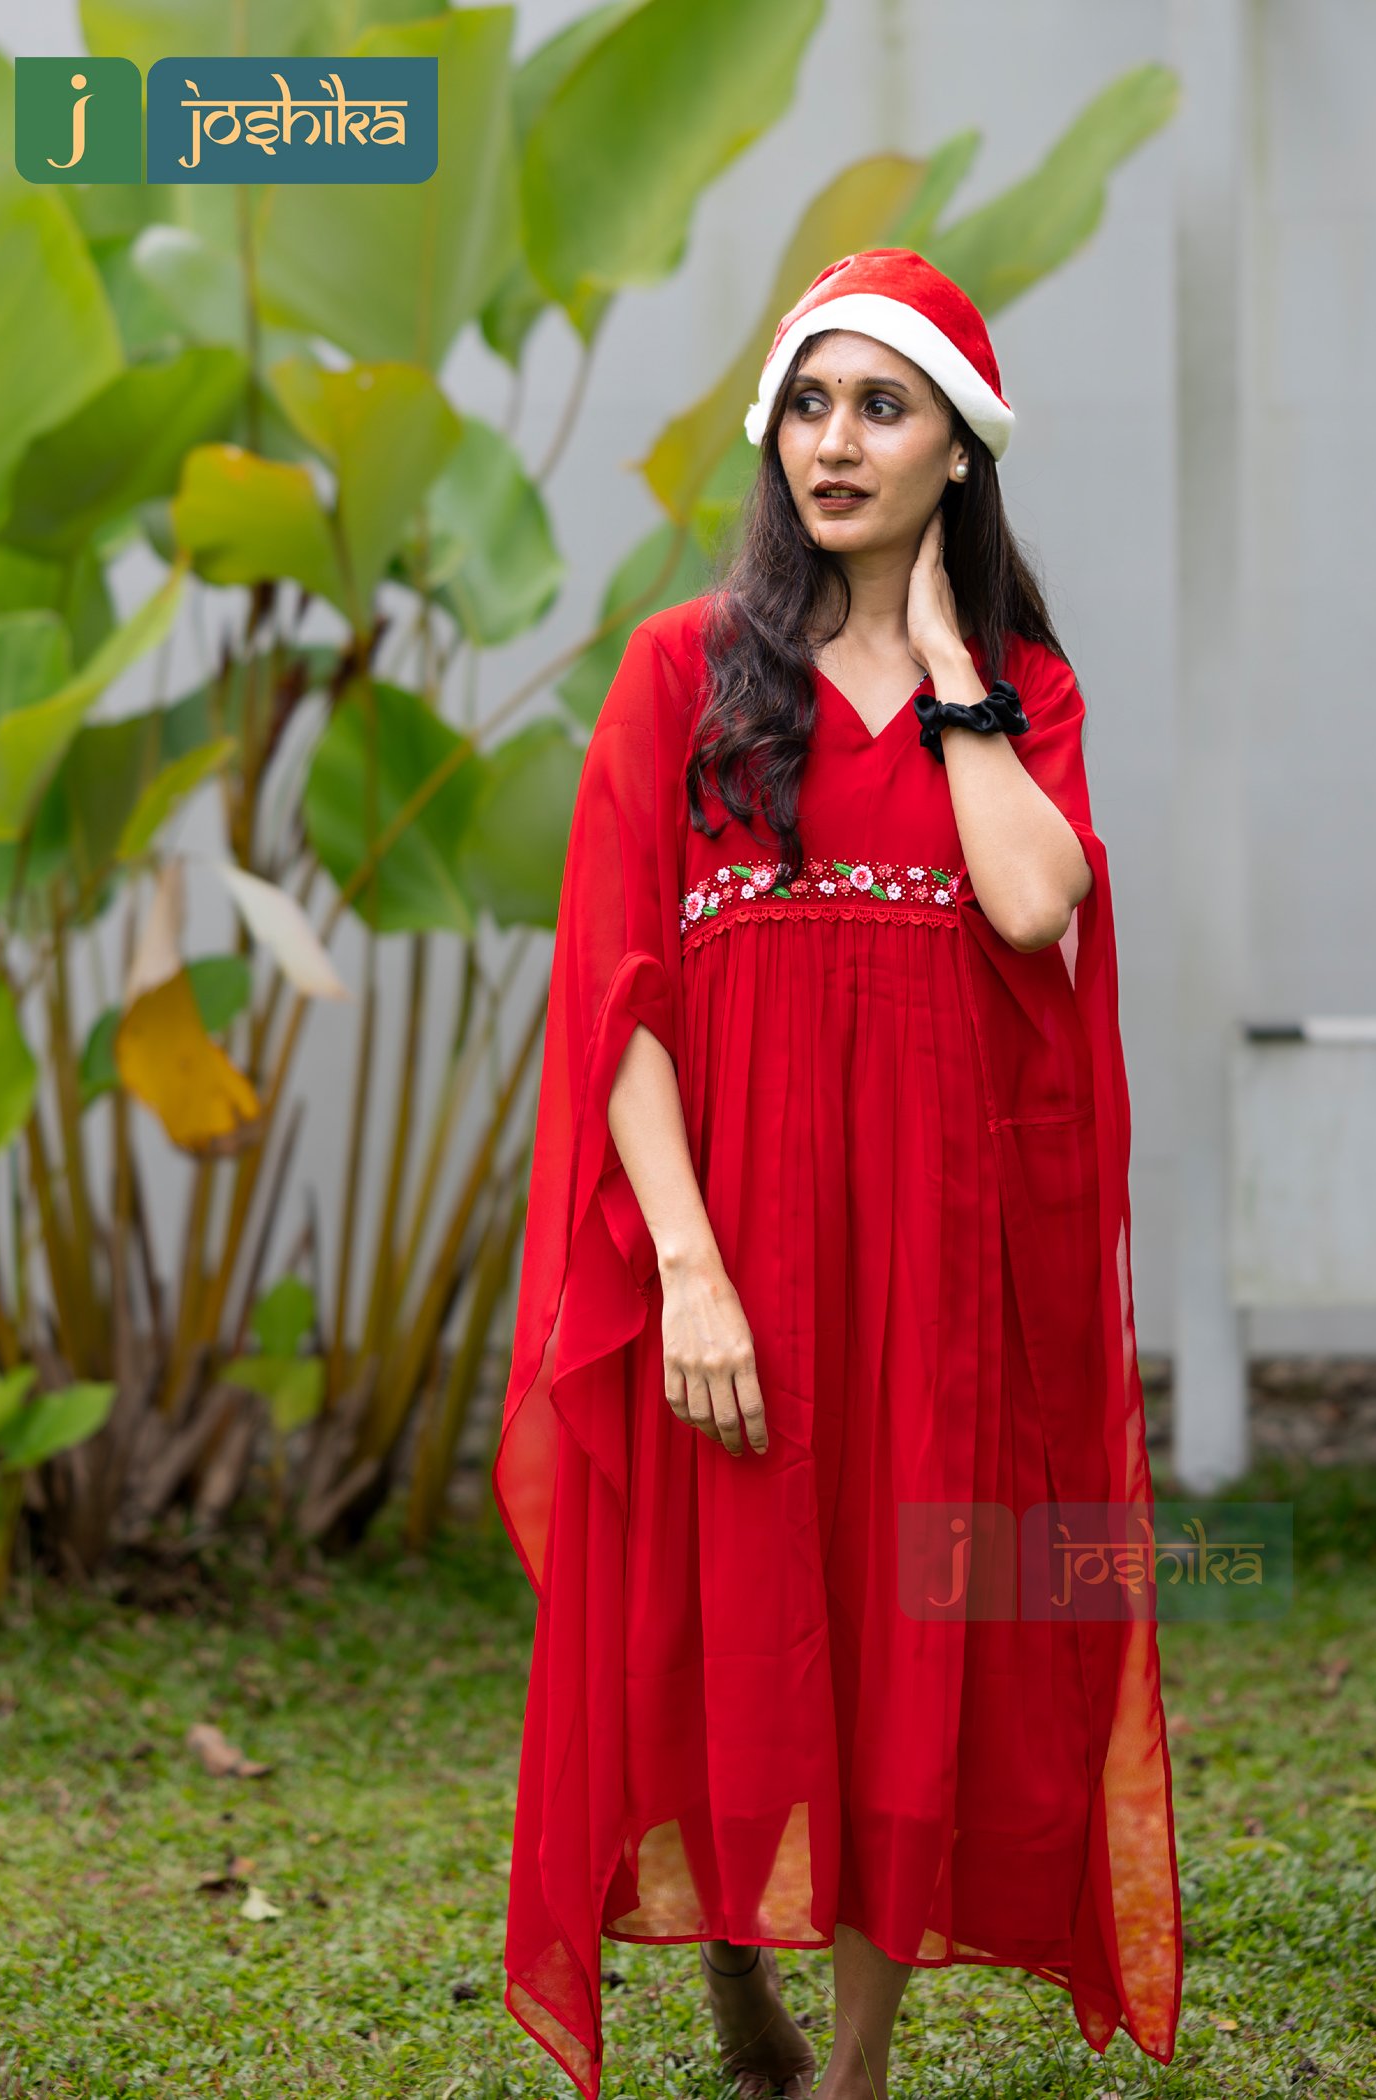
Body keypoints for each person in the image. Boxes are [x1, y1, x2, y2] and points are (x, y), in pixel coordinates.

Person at [492, 248, 1182, 2100]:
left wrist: (954, 674)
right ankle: (734, 1949)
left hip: (936, 1245)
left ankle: (853, 2070)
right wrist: (692, 1272)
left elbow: (1038, 903)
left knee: (906, 1648)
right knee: (723, 1633)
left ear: (962, 448)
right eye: (811, 402)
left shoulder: (1020, 688)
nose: (837, 441)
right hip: (739, 1233)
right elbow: (621, 999)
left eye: (884, 407)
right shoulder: (682, 673)